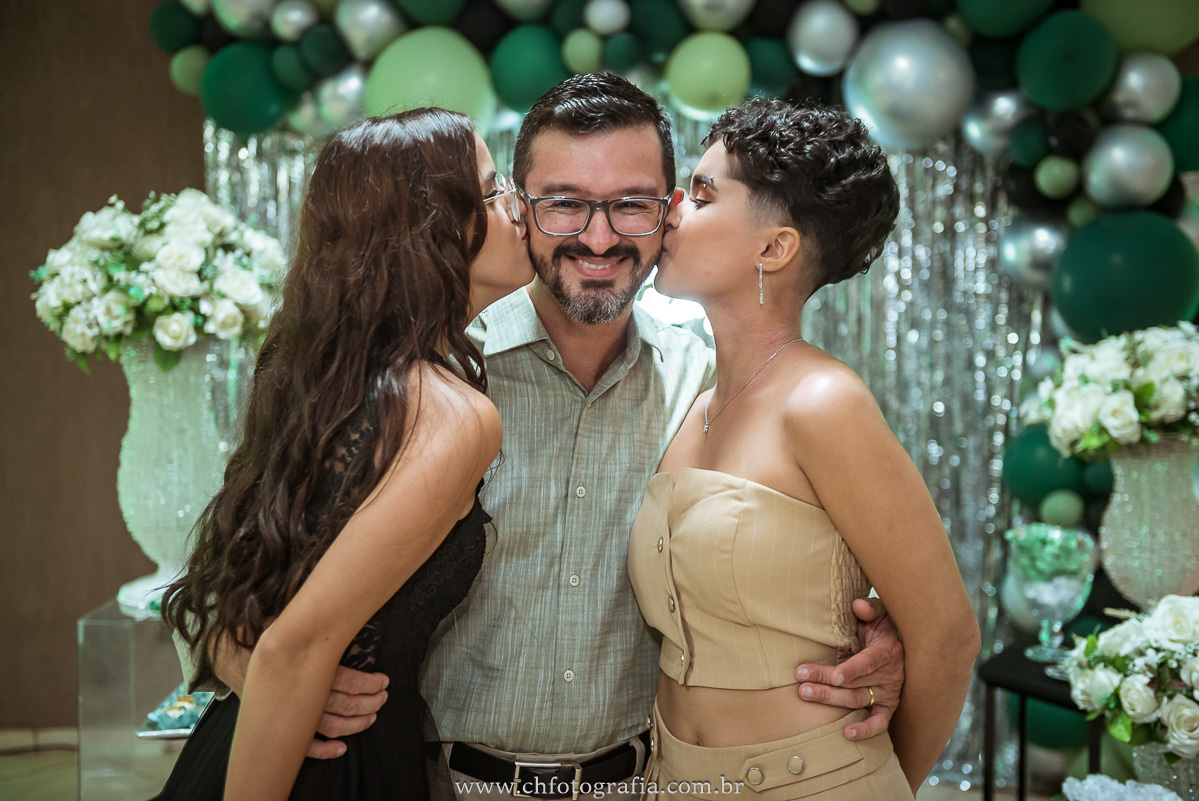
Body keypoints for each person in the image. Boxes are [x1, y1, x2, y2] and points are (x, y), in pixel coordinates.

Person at [198, 74, 907, 801]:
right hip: (431, 783)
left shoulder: (707, 390)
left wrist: (877, 635)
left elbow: (788, 549)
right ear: (519, 207)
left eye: (630, 205)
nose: (598, 238)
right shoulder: (430, 377)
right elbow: (249, 555)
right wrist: (244, 658)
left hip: (639, 785)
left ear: (668, 212)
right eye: (564, 203)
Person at [152, 107, 533, 801]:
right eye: (491, 191)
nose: (517, 210)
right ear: (432, 232)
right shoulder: (453, 415)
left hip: (256, 737)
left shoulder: (330, 377)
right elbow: (291, 647)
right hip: (324, 766)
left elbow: (239, 590)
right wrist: (255, 662)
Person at [629, 97, 981, 800]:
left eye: (702, 194)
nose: (670, 210)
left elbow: (948, 636)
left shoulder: (823, 401)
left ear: (774, 248)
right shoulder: (693, 398)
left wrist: (879, 782)